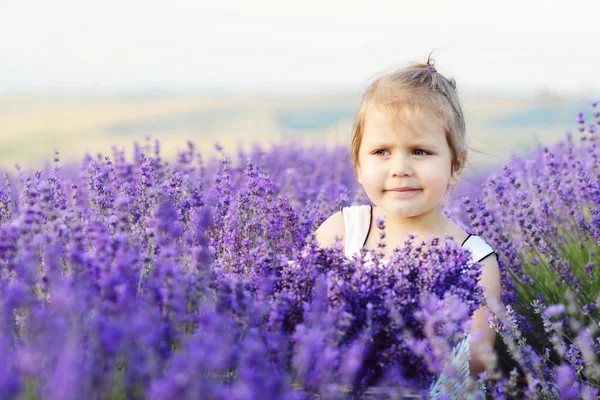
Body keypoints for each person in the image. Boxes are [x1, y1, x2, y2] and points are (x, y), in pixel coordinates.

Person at [315, 54, 502, 398]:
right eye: (382, 152)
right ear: (358, 163)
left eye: (419, 151)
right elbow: (302, 320)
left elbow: (477, 361)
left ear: (455, 165)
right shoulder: (341, 231)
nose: (399, 167)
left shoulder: (474, 259)